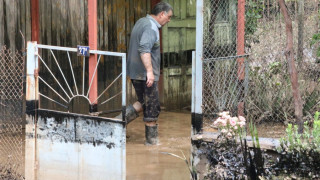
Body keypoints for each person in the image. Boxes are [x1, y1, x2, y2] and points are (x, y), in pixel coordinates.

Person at [118, 2, 173, 145]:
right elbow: (144, 49)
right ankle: (152, 143)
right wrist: (149, 71)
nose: (169, 20)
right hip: (144, 75)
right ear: (162, 14)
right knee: (152, 107)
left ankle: (114, 124)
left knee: (143, 102)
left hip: (136, 73)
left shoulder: (141, 22)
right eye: (169, 17)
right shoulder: (151, 27)